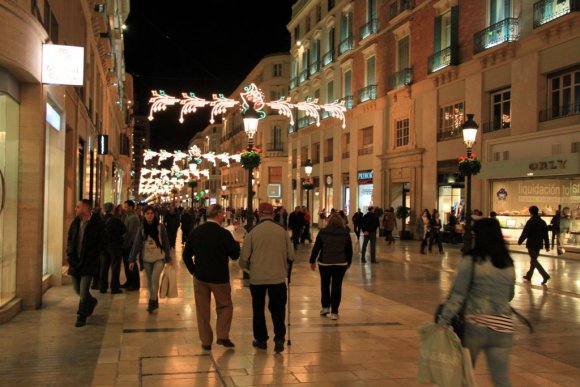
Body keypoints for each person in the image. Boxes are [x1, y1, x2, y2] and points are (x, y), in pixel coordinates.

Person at [437, 218, 516, 387]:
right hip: (503, 327)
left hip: (476, 326)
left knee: (463, 376)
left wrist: (443, 321)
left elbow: (458, 295)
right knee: (501, 380)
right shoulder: (507, 263)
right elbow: (509, 295)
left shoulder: (471, 261)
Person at [239, 202, 295, 353]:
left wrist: (246, 268)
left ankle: (261, 339)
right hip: (278, 278)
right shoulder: (282, 231)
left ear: (260, 214)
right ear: (272, 214)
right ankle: (279, 338)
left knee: (258, 309)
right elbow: (291, 255)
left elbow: (243, 257)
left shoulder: (252, 232)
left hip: (257, 278)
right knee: (278, 310)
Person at [183, 204, 240, 350]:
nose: (224, 216)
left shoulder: (196, 232)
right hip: (219, 277)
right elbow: (235, 255)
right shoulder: (223, 234)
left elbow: (186, 254)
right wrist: (236, 244)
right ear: (218, 214)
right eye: (223, 213)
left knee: (202, 310)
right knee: (225, 306)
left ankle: (206, 341)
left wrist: (193, 271)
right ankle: (222, 335)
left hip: (200, 276)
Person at [66, 199, 107, 327]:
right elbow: (70, 239)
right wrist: (69, 253)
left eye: (78, 207)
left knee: (83, 291)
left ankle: (81, 316)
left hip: (89, 262)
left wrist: (94, 254)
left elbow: (102, 241)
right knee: (77, 289)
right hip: (75, 261)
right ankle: (92, 301)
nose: (75, 209)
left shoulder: (97, 223)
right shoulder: (75, 223)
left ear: (85, 208)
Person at [128, 206, 172, 313]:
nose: (150, 215)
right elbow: (137, 244)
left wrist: (168, 257)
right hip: (146, 259)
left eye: (152, 213)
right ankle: (154, 300)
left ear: (154, 214)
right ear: (144, 215)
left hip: (159, 258)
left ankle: (151, 302)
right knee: (149, 282)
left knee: (154, 280)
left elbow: (166, 243)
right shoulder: (141, 228)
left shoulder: (160, 227)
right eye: (147, 213)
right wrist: (132, 259)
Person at [309, 214, 353, 320]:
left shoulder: (323, 232)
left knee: (325, 285)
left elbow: (317, 247)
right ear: (341, 222)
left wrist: (312, 261)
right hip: (340, 263)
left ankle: (325, 307)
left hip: (325, 263)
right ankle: (334, 312)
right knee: (336, 287)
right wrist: (348, 262)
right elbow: (349, 250)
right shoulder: (345, 233)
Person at [518, 205, 550, 285]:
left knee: (534, 260)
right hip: (539, 244)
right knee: (533, 259)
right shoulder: (542, 222)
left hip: (531, 243)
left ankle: (544, 275)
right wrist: (547, 245)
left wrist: (520, 240)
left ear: (530, 212)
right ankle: (529, 275)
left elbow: (525, 232)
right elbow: (545, 235)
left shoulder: (530, 221)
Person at [100, 202, 126, 294]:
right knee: (115, 267)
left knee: (104, 267)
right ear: (112, 210)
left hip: (103, 246)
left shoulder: (101, 219)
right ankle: (114, 287)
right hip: (115, 246)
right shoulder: (116, 220)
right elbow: (124, 230)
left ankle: (103, 287)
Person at [121, 200, 141, 291]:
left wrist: (125, 244)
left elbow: (131, 233)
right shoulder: (128, 216)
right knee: (127, 264)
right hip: (127, 244)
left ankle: (134, 283)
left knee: (131, 264)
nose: (124, 209)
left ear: (131, 207)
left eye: (126, 207)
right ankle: (129, 281)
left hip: (130, 244)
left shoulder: (133, 218)